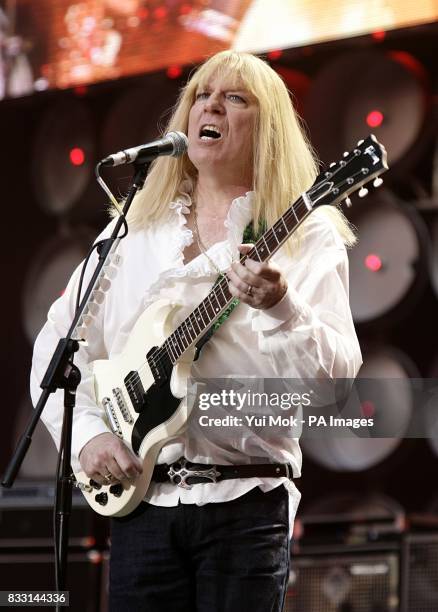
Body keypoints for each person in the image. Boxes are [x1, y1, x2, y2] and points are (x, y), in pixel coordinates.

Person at [31, 50, 362, 611]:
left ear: (270, 128)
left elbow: (335, 388)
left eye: (235, 97)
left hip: (247, 506)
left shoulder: (308, 236)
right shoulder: (130, 234)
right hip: (142, 508)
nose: (211, 104)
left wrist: (281, 305)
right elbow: (56, 350)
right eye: (202, 95)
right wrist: (86, 437)